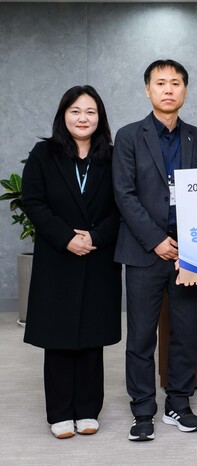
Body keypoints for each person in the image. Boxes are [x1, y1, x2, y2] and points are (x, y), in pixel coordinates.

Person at [113, 59, 197, 441]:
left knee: (185, 332)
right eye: (160, 83)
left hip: (188, 252)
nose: (168, 89)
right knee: (141, 335)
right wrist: (155, 240)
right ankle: (142, 410)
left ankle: (179, 404)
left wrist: (189, 243)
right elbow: (124, 194)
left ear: (185, 90)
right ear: (148, 90)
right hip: (144, 252)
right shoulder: (128, 136)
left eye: (175, 83)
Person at [22, 85, 121, 439]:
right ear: (63, 115)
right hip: (58, 256)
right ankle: (61, 412)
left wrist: (95, 237)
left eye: (90, 112)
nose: (83, 118)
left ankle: (88, 409)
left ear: (100, 117)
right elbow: (33, 201)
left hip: (98, 255)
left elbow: (122, 205)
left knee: (92, 335)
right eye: (75, 111)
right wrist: (66, 237)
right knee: (59, 335)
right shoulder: (44, 153)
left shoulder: (112, 156)